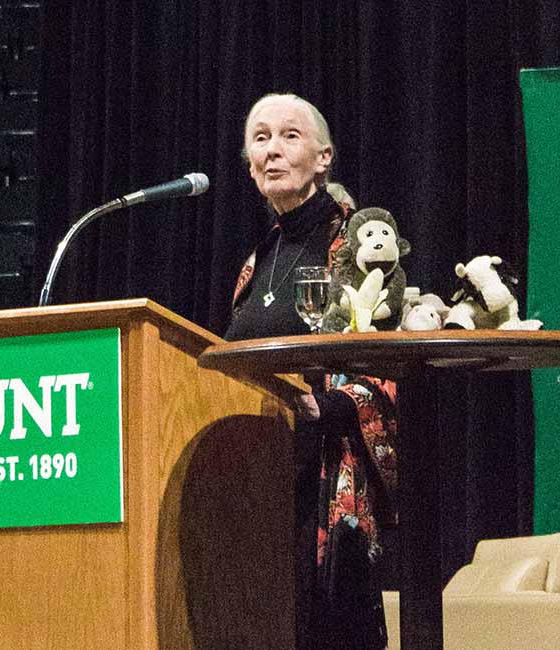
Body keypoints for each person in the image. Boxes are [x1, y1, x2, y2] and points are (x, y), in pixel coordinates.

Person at [225, 93, 397, 650]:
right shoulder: (257, 260)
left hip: (323, 481)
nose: (272, 150)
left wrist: (328, 407)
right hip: (256, 484)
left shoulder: (358, 245)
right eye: (260, 138)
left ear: (324, 158)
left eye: (289, 136)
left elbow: (390, 357)